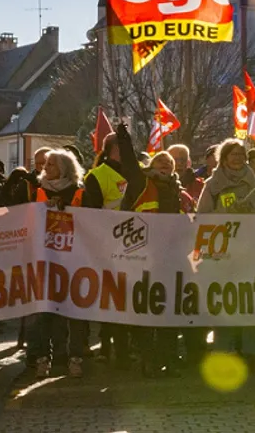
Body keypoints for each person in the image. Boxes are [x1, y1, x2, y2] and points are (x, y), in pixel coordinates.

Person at [196, 139, 255, 370]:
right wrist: (226, 212)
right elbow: (202, 216)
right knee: (225, 302)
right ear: (224, 157)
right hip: (223, 254)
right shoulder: (211, 185)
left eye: (242, 154)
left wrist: (251, 209)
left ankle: (253, 351)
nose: (238, 158)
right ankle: (223, 350)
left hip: (252, 252)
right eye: (233, 154)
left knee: (251, 302)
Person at [82, 125, 146, 367]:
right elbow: (92, 212)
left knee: (134, 298)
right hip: (109, 244)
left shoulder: (137, 172)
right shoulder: (97, 176)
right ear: (112, 150)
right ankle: (112, 347)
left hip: (137, 242)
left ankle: (132, 346)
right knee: (114, 300)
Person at [134, 151, 193, 376]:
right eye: (160, 161)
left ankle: (168, 357)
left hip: (175, 258)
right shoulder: (141, 184)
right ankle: (149, 359)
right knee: (150, 311)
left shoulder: (181, 193)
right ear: (151, 164)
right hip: (148, 258)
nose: (166, 165)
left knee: (170, 311)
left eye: (169, 163)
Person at [31, 149, 87, 378]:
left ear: (64, 168)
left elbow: (92, 220)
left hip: (76, 261)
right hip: (45, 261)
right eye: (45, 164)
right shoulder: (37, 191)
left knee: (75, 311)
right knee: (45, 313)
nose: (45, 167)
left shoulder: (81, 193)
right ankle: (44, 358)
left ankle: (75, 358)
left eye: (51, 164)